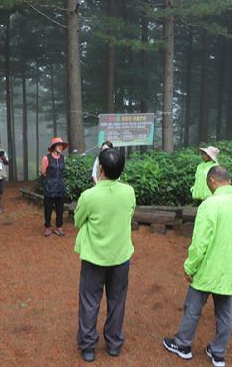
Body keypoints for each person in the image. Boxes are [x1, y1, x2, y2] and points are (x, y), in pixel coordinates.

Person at [164, 166, 232, 367]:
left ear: (212, 181)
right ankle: (218, 353)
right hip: (230, 268)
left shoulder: (209, 205)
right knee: (225, 313)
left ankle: (183, 345)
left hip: (207, 268)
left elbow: (200, 242)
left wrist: (190, 266)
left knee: (193, 308)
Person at [74, 148, 135, 362]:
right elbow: (129, 213)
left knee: (90, 301)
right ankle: (114, 344)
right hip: (121, 257)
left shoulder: (89, 196)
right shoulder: (129, 192)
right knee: (117, 301)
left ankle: (89, 347)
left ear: (100, 168)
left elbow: (77, 221)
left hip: (94, 258)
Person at [42, 137, 68, 237]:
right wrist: (51, 181)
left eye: (61, 145)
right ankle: (47, 227)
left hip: (61, 186)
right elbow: (44, 172)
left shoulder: (63, 158)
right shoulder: (46, 158)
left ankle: (59, 227)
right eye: (58, 145)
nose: (60, 147)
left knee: (60, 208)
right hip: (50, 186)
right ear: (53, 146)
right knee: (48, 208)